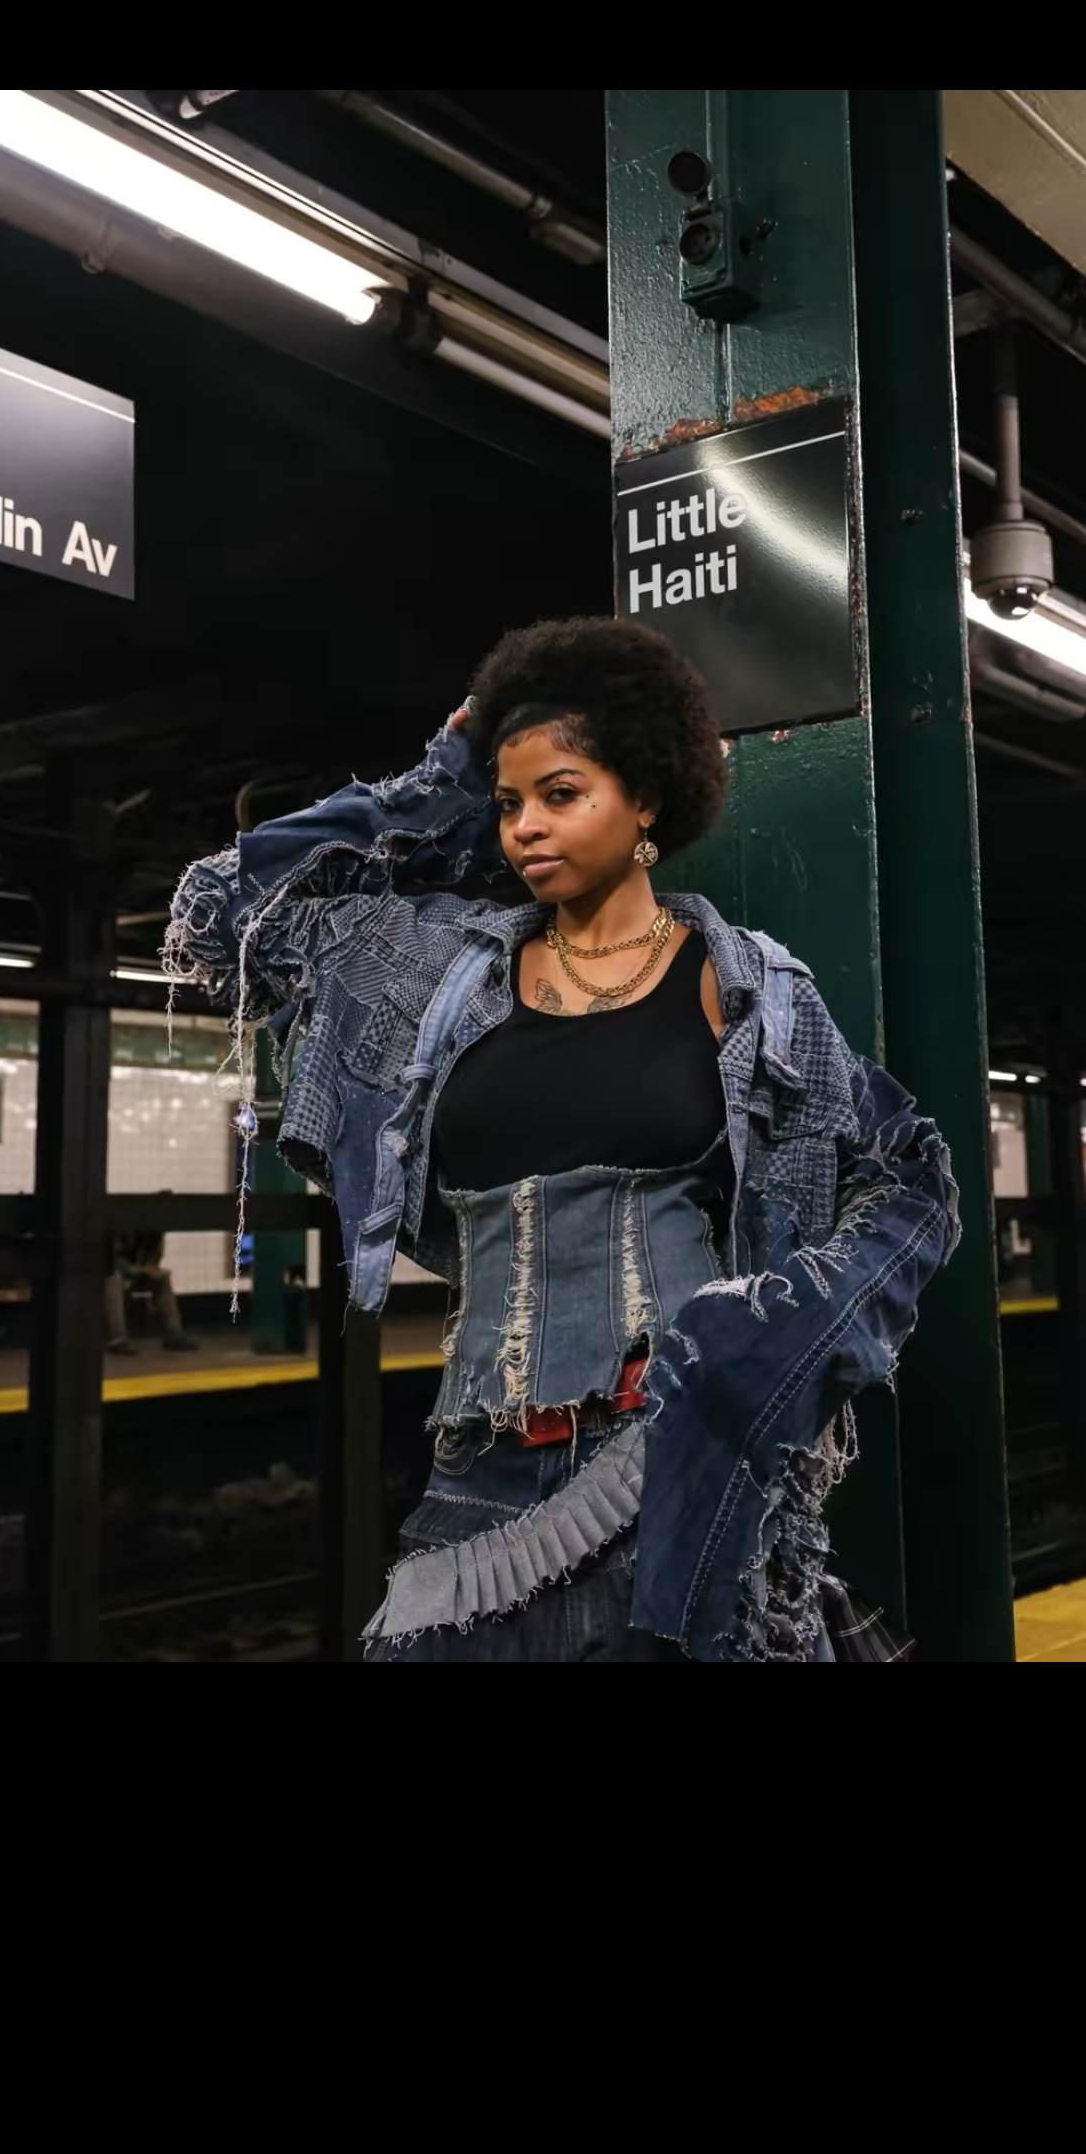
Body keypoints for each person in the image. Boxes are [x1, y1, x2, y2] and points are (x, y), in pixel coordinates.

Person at [164, 617, 958, 1662]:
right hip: (477, 1485)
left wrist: (783, 1325)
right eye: (508, 804)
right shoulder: (442, 978)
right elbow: (226, 913)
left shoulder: (746, 986)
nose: (524, 828)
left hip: (681, 1464)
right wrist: (440, 777)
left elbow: (909, 1173)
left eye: (562, 793)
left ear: (645, 800)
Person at [104, 1228, 199, 1355]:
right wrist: (137, 1270)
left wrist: (149, 1270)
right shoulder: (119, 1232)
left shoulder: (154, 1233)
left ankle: (174, 1334)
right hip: (110, 1274)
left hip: (135, 1273)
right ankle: (117, 1338)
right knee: (113, 1280)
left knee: (162, 1280)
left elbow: (155, 1255)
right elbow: (110, 1260)